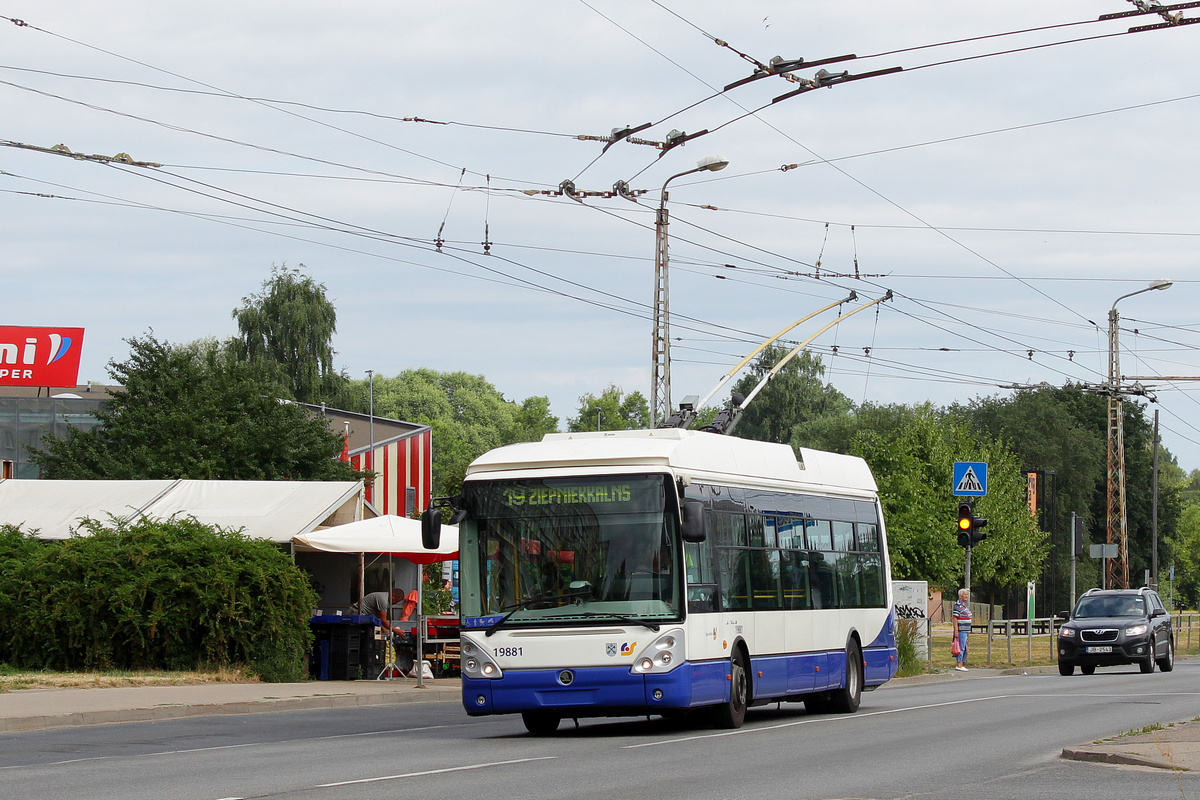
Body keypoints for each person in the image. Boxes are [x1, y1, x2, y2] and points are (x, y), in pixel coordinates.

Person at [952, 588, 973, 671]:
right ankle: (959, 664)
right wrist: (956, 630)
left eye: (967, 594)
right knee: (961, 646)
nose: (966, 596)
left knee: (964, 646)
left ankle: (961, 663)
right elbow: (955, 618)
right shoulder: (958, 605)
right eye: (965, 594)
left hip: (966, 629)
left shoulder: (963, 605)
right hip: (961, 629)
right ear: (960, 595)